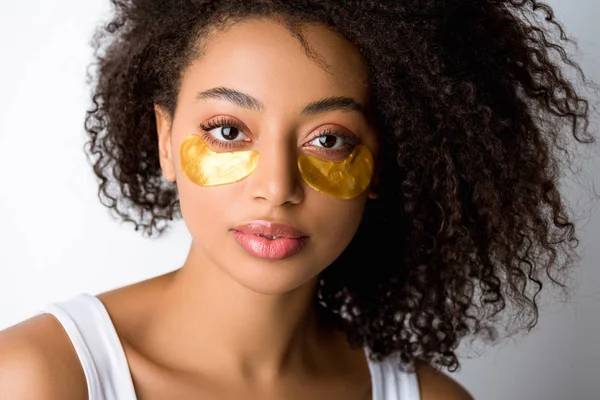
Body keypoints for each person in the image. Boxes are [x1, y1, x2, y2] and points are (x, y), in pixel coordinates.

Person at [0, 0, 595, 399]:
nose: (278, 187)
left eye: (328, 140)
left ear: (382, 162)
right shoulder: (39, 377)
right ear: (164, 138)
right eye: (229, 131)